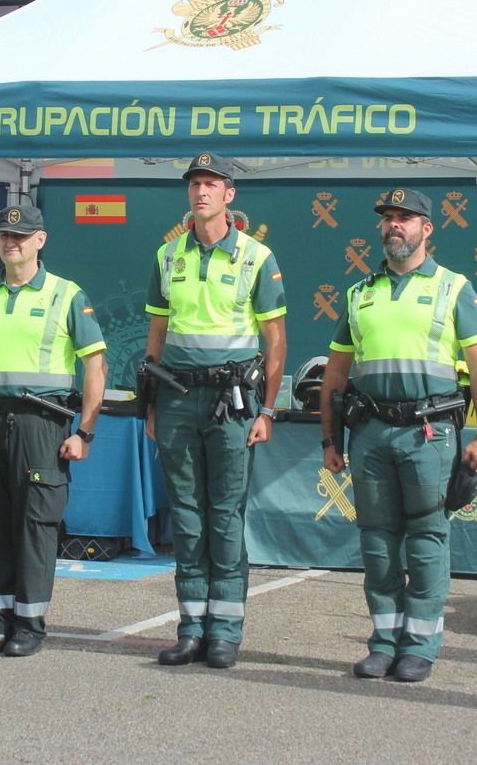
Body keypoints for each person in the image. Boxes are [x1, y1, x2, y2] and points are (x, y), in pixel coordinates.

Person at [318, 187, 477, 683]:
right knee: (376, 543)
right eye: (388, 218)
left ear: (427, 229)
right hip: (371, 434)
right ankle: (383, 643)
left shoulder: (453, 287)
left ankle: (420, 645)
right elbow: (335, 376)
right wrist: (330, 441)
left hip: (429, 433)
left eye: (406, 218)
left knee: (426, 540)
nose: (394, 225)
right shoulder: (359, 293)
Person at [143, 152, 287, 669]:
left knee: (224, 517)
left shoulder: (256, 256)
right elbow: (156, 335)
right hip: (178, 398)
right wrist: (152, 405)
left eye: (211, 184)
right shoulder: (166, 256)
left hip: (233, 403)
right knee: (185, 516)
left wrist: (267, 411)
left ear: (230, 195)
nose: (201, 192)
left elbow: (275, 341)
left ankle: (225, 631)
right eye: (194, 184)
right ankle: (190, 627)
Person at [0, 204, 107, 657]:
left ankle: (30, 625)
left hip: (41, 424)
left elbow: (95, 366)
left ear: (41, 240)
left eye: (20, 236)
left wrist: (86, 432)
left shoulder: (66, 294)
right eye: (4, 235)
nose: (10, 242)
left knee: (35, 524)